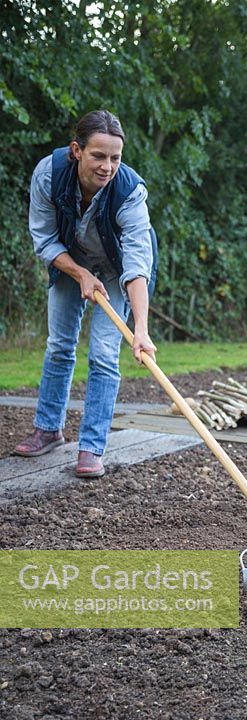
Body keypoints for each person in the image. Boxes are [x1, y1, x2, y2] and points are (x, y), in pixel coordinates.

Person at [14, 109, 157, 478]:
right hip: (69, 260)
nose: (107, 166)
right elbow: (44, 238)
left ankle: (92, 447)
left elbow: (137, 262)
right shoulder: (49, 174)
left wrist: (140, 328)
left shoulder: (130, 192)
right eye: (98, 155)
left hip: (116, 269)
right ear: (77, 150)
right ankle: (48, 429)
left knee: (105, 354)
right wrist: (79, 273)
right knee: (60, 345)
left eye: (115, 158)